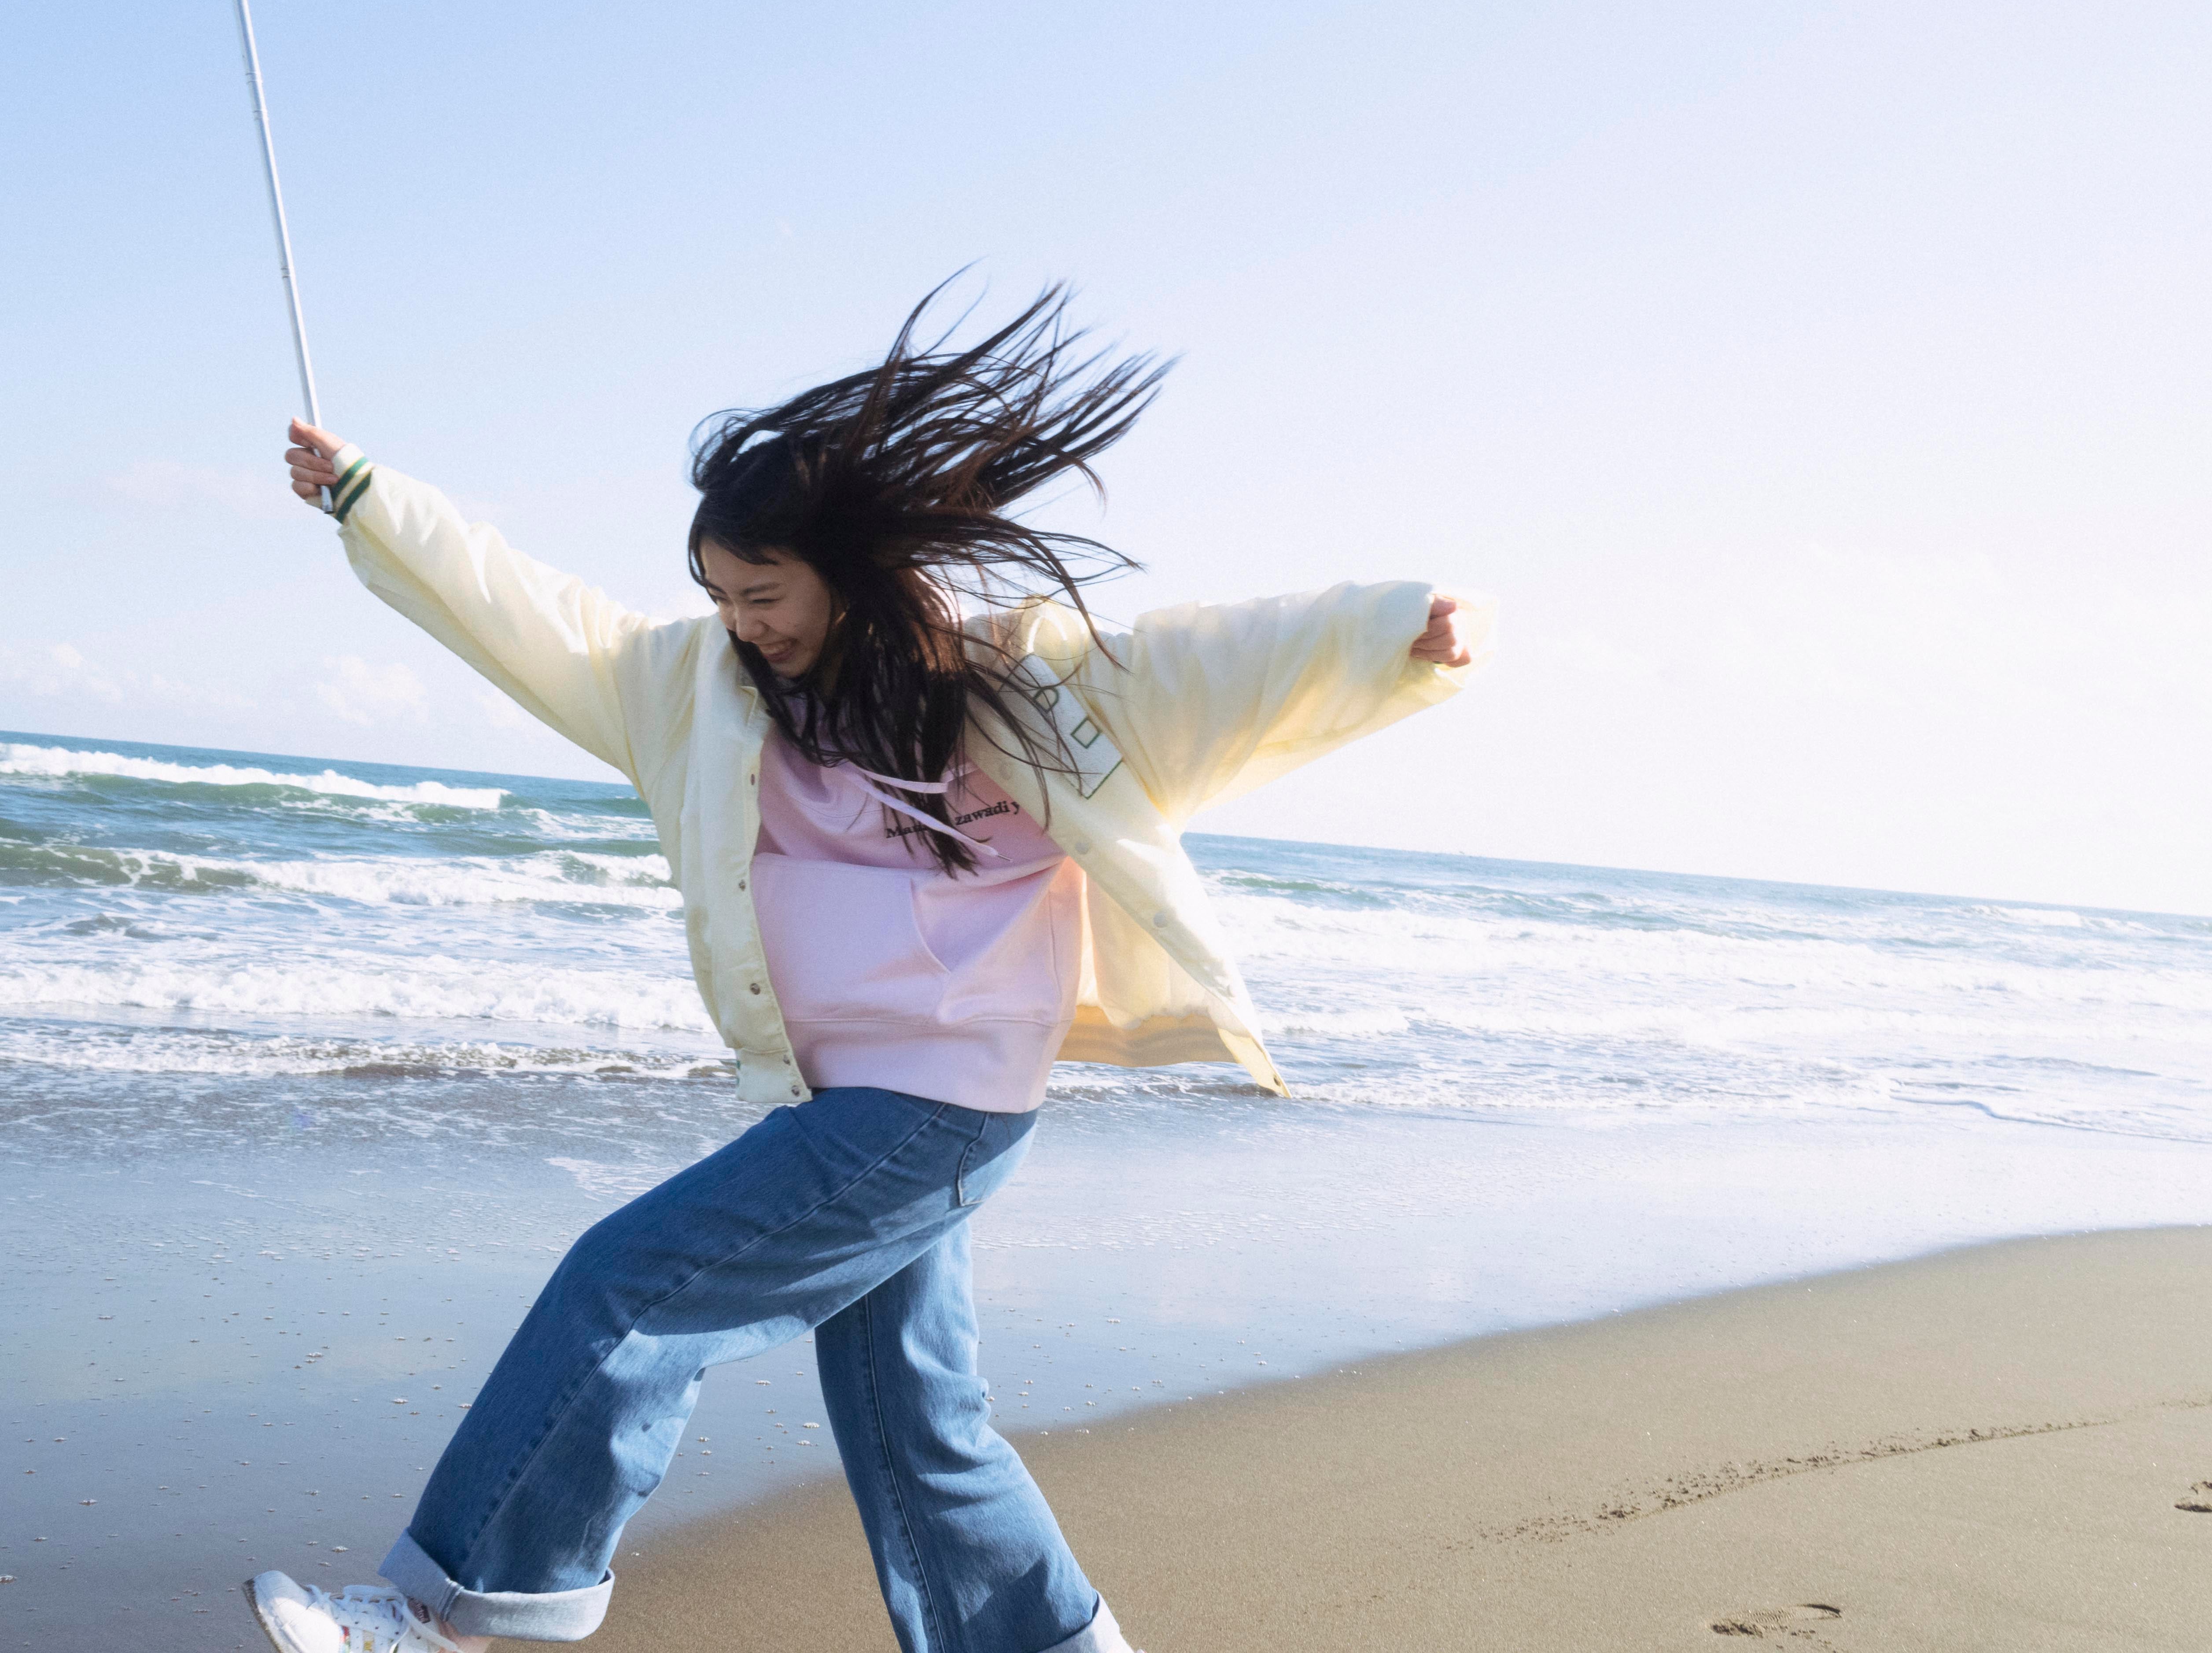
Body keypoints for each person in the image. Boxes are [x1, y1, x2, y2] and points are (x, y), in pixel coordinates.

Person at [242, 288, 1486, 1653]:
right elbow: (536, 619)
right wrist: (371, 501)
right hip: (853, 1110)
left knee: (629, 1286)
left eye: (764, 594)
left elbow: (1213, 663)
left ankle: (444, 1611)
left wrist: (1393, 628)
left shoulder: (1023, 685)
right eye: (719, 597)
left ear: (848, 572)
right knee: (917, 1424)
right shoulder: (699, 694)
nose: (742, 623)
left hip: (936, 1107)